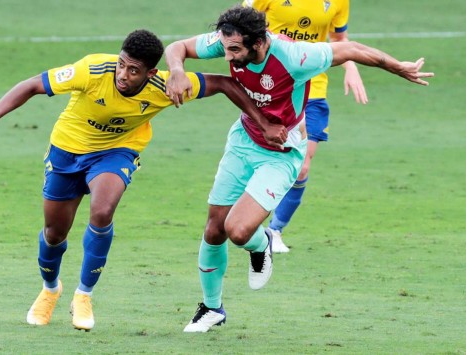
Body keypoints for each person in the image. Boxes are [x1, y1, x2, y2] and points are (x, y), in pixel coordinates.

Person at [0, 29, 276, 332]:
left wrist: (261, 122)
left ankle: (84, 295)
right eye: (122, 64)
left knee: (102, 211)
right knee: (54, 233)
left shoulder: (164, 86)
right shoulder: (92, 69)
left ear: (151, 72)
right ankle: (50, 289)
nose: (123, 74)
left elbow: (224, 84)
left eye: (133, 70)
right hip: (67, 152)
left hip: (116, 153)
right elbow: (33, 85)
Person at [164, 5, 433, 332]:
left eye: (235, 50)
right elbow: (176, 47)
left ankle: (263, 244)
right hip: (244, 140)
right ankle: (211, 308)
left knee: (237, 231)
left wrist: (398, 67)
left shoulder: (294, 56)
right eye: (225, 48)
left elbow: (351, 49)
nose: (228, 56)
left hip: (282, 153)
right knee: (213, 229)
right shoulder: (226, 42)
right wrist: (177, 69)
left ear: (258, 43)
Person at [242, 0, 367, 253]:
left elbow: (339, 37)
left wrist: (350, 67)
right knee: (260, 158)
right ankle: (245, 219)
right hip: (273, 86)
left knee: (302, 167)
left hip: (313, 89)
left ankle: (274, 231)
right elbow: (239, 23)